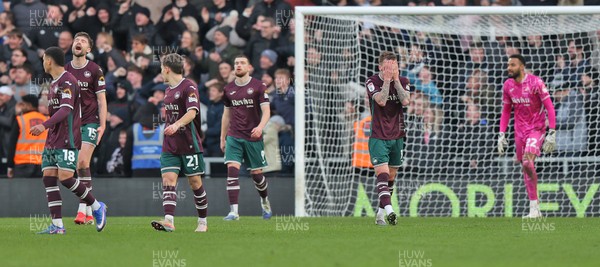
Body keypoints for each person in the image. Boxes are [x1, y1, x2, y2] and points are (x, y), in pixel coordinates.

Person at [30, 46, 107, 234]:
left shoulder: (68, 81)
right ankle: (57, 226)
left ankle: (97, 206)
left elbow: (65, 110)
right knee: (48, 178)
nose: (43, 63)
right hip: (52, 139)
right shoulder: (54, 82)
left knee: (66, 178)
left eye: (43, 60)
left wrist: (44, 125)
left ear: (49, 61)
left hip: (67, 138)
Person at [150, 53, 208, 233]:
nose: (161, 72)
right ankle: (169, 221)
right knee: (168, 179)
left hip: (189, 143)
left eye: (161, 68)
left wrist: (176, 125)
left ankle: (203, 222)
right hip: (170, 144)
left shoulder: (189, 86)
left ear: (167, 68)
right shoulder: (167, 90)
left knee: (195, 183)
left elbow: (192, 113)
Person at [498, 54, 557, 219]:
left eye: (513, 65)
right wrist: (501, 133)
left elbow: (550, 108)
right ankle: (534, 210)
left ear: (522, 67)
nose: (509, 68)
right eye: (508, 65)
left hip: (536, 129)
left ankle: (534, 207)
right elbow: (506, 111)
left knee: (527, 161)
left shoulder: (536, 83)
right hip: (519, 132)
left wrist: (552, 132)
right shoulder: (507, 85)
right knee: (525, 166)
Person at [220, 54, 272, 221]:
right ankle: (234, 212)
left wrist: (260, 127)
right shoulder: (228, 89)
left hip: (253, 136)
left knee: (257, 175)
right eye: (236, 63)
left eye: (242, 63)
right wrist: (223, 137)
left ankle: (264, 201)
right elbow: (226, 115)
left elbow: (266, 111)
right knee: (232, 171)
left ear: (249, 67)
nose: (238, 65)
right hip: (234, 136)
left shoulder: (259, 86)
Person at [64, 32, 108, 225]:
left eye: (83, 41)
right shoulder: (65, 70)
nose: (78, 42)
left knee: (82, 163)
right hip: (71, 124)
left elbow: (102, 100)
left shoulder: (95, 69)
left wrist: (103, 125)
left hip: (90, 122)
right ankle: (92, 209)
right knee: (79, 167)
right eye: (76, 40)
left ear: (88, 49)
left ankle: (82, 209)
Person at [365, 51, 410, 226]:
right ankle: (391, 212)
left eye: (395, 65)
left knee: (391, 177)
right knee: (382, 175)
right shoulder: (372, 81)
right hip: (378, 135)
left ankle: (380, 214)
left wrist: (396, 80)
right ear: (380, 67)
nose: (392, 69)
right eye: (388, 66)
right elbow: (382, 101)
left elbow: (406, 101)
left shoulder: (404, 81)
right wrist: (386, 80)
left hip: (397, 135)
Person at [7, 94, 47, 178]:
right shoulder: (47, 120)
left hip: (22, 164)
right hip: (43, 164)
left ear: (29, 105)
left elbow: (12, 144)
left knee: (21, 191)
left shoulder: (20, 119)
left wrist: (10, 165)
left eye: (22, 104)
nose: (21, 106)